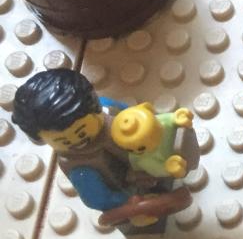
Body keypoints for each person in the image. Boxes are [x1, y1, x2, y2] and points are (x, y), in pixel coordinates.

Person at [11, 68, 195, 222]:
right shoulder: (80, 168)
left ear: (97, 108)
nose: (78, 140)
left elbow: (140, 116)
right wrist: (130, 203)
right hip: (133, 192)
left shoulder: (110, 109)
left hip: (153, 157)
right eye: (65, 141)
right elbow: (98, 198)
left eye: (82, 131)